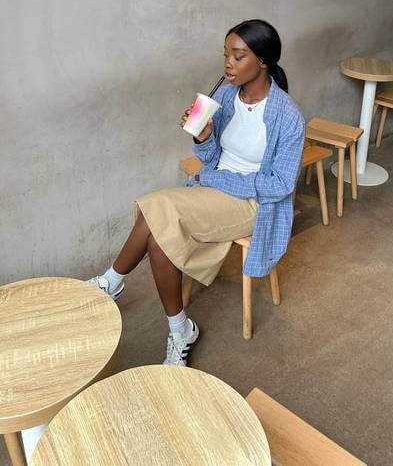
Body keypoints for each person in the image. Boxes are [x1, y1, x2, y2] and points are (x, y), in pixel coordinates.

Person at [88, 19, 305, 366]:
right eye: (226, 55)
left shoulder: (288, 116)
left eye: (238, 56)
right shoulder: (224, 94)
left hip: (253, 202)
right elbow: (209, 157)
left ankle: (111, 282)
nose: (227, 64)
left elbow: (280, 184)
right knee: (159, 234)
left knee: (156, 209)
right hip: (214, 187)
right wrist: (202, 137)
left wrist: (218, 180)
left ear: (262, 62)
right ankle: (180, 329)